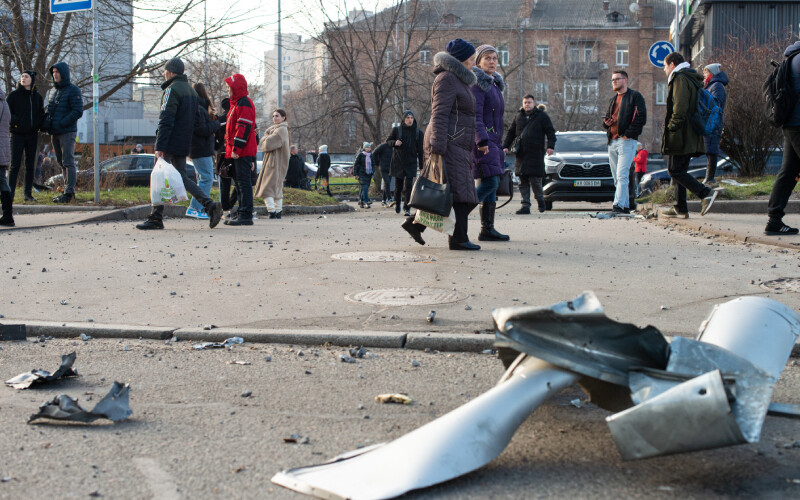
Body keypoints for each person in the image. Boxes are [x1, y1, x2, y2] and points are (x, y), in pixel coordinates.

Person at [401, 38, 481, 251]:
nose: (474, 62)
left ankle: (416, 225)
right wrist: (437, 145)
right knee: (462, 196)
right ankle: (458, 240)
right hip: (447, 142)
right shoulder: (446, 79)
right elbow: (439, 113)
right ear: (461, 59)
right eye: (471, 58)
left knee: (458, 194)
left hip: (458, 143)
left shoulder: (459, 80)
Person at [136, 57, 222, 230]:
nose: (163, 74)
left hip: (168, 142)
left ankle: (156, 217)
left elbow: (166, 119)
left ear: (170, 71)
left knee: (158, 177)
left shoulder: (171, 90)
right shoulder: (191, 92)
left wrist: (159, 146)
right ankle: (210, 205)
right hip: (183, 143)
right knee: (182, 177)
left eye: (165, 71)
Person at [660, 52, 719, 219]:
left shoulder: (680, 78)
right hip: (690, 131)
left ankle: (705, 193)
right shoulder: (690, 77)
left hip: (681, 132)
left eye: (665, 66)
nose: (664, 69)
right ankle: (680, 208)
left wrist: (672, 127)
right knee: (680, 169)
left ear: (672, 64)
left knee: (674, 170)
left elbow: (680, 107)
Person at [467, 44, 509, 241]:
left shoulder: (492, 84)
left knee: (490, 181)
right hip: (483, 141)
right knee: (491, 181)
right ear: (478, 62)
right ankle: (458, 213)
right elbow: (475, 115)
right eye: (487, 58)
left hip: (494, 140)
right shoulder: (478, 84)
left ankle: (487, 229)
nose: (492, 62)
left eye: (494, 58)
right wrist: (481, 139)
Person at [765, 41, 800, 235]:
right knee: (788, 173)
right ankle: (774, 220)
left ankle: (774, 220)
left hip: (792, 124)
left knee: (788, 172)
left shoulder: (793, 57)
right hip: (798, 124)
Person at [602, 69, 647, 213]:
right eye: (612, 80)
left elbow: (641, 117)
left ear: (625, 80)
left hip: (626, 141)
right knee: (617, 178)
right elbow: (609, 118)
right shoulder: (613, 100)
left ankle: (618, 206)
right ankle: (625, 205)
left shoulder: (635, 96)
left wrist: (629, 134)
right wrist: (606, 123)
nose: (614, 82)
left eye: (617, 79)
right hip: (612, 141)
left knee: (622, 175)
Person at [503, 95, 556, 214]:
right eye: (525, 102)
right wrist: (505, 146)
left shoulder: (542, 116)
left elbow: (550, 132)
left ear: (534, 103)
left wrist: (550, 146)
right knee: (522, 182)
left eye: (529, 102)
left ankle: (540, 201)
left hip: (536, 154)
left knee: (536, 181)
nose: (527, 104)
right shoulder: (518, 116)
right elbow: (511, 132)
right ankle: (525, 206)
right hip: (521, 155)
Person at [43, 62, 83, 204]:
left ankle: (69, 192)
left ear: (64, 73)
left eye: (57, 72)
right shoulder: (53, 91)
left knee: (68, 161)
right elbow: (49, 110)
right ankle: (66, 191)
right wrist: (46, 122)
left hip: (67, 131)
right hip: (55, 132)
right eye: (53, 72)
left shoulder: (73, 90)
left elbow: (78, 111)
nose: (55, 74)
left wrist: (62, 122)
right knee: (61, 162)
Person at [221, 74, 257, 226]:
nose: (228, 89)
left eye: (229, 87)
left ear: (236, 87)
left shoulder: (243, 103)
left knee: (243, 183)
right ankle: (242, 212)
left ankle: (246, 214)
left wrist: (237, 147)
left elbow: (243, 126)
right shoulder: (238, 103)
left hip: (242, 151)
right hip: (238, 150)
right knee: (240, 183)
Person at [7, 70, 44, 202]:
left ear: (32, 80)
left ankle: (27, 194)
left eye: (26, 76)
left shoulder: (37, 97)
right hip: (16, 134)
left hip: (32, 135)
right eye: (22, 76)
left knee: (30, 165)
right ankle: (9, 194)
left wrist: (39, 125)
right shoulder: (13, 96)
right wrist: (17, 122)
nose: (23, 78)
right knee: (14, 165)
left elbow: (41, 113)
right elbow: (7, 113)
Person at [186, 82, 220, 220]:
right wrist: (216, 124)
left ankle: (197, 208)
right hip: (201, 148)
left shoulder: (196, 108)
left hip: (197, 148)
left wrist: (212, 117)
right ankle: (194, 207)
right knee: (207, 178)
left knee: (202, 178)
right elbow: (202, 129)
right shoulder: (199, 109)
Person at [386, 110, 424, 216]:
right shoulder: (397, 130)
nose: (410, 120)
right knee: (398, 186)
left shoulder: (418, 133)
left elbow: (421, 152)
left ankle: (407, 207)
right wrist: (395, 143)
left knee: (409, 186)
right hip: (398, 162)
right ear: (404, 119)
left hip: (411, 163)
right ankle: (397, 204)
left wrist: (421, 166)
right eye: (408, 118)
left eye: (411, 118)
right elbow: (388, 142)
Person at [255, 108, 290, 219]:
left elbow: (267, 144)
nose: (274, 118)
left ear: (283, 117)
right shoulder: (277, 129)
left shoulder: (280, 130)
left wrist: (265, 136)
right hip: (275, 163)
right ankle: (277, 211)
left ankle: (272, 211)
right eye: (273, 116)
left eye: (277, 116)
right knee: (276, 188)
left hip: (274, 164)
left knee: (267, 189)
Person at [702, 63, 729, 185]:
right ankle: (708, 178)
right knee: (709, 149)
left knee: (712, 149)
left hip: (713, 122)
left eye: (706, 73)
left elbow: (716, 104)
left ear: (712, 73)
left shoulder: (717, 86)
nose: (704, 76)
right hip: (710, 121)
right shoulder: (711, 85)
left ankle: (710, 178)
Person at [0, 86, 13, 226]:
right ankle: (8, 215)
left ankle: (8, 216)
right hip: (3, 146)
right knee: (2, 180)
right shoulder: (4, 102)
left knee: (2, 181)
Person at [353, 142, 374, 208]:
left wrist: (373, 171)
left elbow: (373, 164)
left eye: (369, 147)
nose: (368, 148)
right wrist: (355, 174)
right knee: (365, 187)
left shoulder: (371, 155)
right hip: (361, 174)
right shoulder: (360, 155)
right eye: (367, 147)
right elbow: (355, 164)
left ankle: (361, 201)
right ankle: (366, 201)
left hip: (369, 174)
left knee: (364, 188)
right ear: (364, 148)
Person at [372, 141, 393, 206]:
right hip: (383, 168)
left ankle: (383, 200)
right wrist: (377, 163)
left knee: (387, 184)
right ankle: (389, 199)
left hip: (391, 168)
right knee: (387, 182)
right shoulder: (383, 146)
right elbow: (374, 153)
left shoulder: (393, 148)